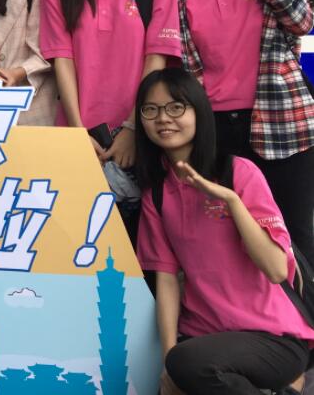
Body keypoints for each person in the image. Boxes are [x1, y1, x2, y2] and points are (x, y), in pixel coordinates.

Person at [134, 68, 313, 395]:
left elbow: (276, 270)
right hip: (204, 337)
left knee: (190, 363)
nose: (163, 118)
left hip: (272, 337)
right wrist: (169, 361)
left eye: (176, 107)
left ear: (199, 112)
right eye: (151, 109)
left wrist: (231, 200)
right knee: (181, 367)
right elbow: (167, 280)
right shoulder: (156, 195)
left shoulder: (239, 172)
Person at [173, 0, 314, 264]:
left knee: (294, 232)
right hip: (214, 130)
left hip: (282, 122)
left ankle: (300, 302)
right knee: (228, 233)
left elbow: (302, 21)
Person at [40, 0, 181, 219]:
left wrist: (133, 128)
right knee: (78, 232)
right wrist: (77, 132)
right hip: (76, 135)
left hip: (143, 131)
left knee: (143, 232)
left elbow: (156, 60)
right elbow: (62, 62)